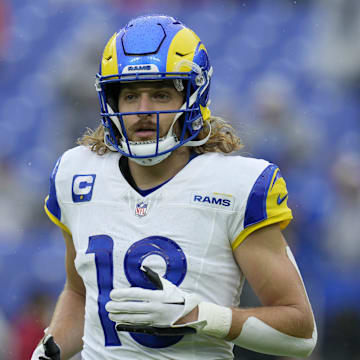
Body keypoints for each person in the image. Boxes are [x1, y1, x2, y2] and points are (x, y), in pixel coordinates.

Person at [31, 14, 317, 360]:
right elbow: (80, 293)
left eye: (161, 94)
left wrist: (200, 316)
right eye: (131, 95)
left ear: (192, 98)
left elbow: (301, 334)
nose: (143, 111)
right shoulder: (77, 173)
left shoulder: (236, 185)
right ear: (111, 101)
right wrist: (51, 350)